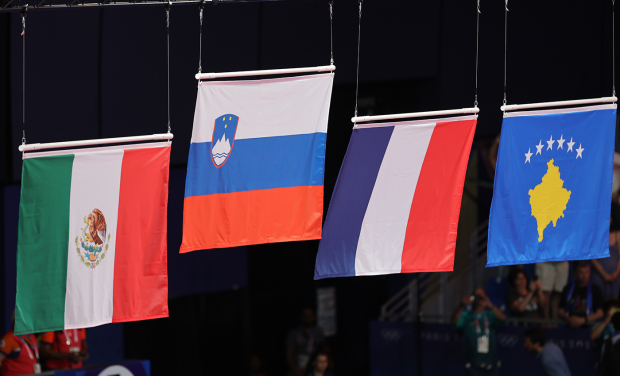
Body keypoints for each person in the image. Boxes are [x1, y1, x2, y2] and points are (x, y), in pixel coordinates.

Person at [451, 288, 506, 375]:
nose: (479, 298)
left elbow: (502, 318)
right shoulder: (466, 315)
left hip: (491, 363)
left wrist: (489, 304)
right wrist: (462, 305)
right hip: (473, 364)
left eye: (481, 296)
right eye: (477, 296)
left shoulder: (490, 314)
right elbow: (454, 322)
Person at [558, 261, 604, 328]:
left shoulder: (595, 290)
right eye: (581, 272)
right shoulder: (568, 288)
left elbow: (600, 313)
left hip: (589, 329)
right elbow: (560, 310)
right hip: (569, 328)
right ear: (575, 273)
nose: (584, 276)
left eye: (587, 272)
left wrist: (583, 320)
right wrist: (568, 318)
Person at [591, 203, 620, 299]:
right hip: (600, 275)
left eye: (609, 217)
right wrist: (604, 275)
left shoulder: (617, 235)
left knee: (614, 302)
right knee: (600, 300)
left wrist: (616, 274)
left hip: (615, 275)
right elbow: (593, 258)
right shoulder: (595, 235)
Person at [286, 308, 326, 376]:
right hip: (298, 368)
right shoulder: (294, 333)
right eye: (305, 316)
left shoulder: (318, 332)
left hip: (314, 368)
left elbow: (325, 347)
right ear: (301, 317)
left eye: (310, 315)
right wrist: (295, 371)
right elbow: (289, 354)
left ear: (314, 317)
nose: (308, 318)